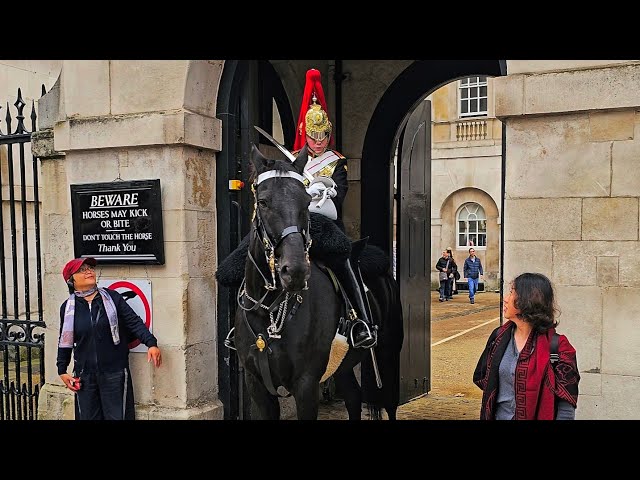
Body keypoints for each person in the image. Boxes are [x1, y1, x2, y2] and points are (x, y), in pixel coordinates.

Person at [291, 68, 375, 348]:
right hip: (293, 224)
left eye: (323, 136)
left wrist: (319, 192)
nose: (318, 142)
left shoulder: (336, 161)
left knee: (344, 261)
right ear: (305, 133)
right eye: (314, 136)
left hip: (325, 225)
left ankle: (361, 320)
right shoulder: (292, 160)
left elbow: (338, 197)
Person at [57, 257, 162, 420]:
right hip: (85, 376)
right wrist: (62, 370)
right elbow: (65, 339)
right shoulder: (68, 307)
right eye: (82, 270)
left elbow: (134, 322)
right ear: (71, 280)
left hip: (115, 373)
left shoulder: (113, 298)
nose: (89, 271)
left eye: (90, 268)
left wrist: (151, 343)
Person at [473, 272, 580, 420]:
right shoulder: (498, 337)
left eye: (511, 293)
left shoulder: (559, 346)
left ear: (527, 300)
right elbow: (484, 378)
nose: (505, 299)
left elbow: (566, 405)